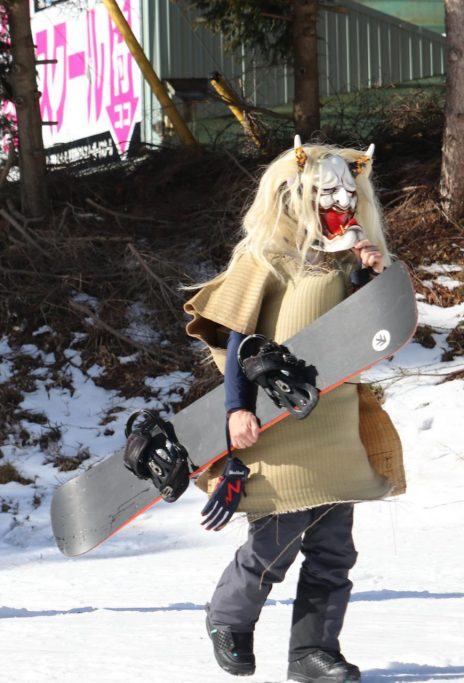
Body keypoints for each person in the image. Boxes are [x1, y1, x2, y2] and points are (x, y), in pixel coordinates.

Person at [183, 139, 405, 683]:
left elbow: (361, 334)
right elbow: (238, 340)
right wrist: (237, 410)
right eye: (328, 190)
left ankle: (313, 653)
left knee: (334, 551)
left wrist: (370, 278)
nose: (340, 200)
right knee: (274, 543)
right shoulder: (268, 259)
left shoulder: (348, 259)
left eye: (348, 192)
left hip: (335, 424)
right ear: (299, 191)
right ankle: (227, 619)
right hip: (279, 428)